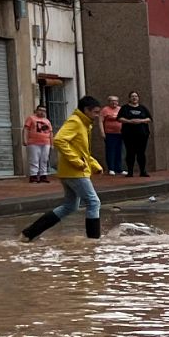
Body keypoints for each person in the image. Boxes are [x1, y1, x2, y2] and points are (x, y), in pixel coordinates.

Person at [20, 96, 106, 242]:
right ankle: (93, 240)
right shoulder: (76, 122)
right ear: (86, 110)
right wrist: (76, 162)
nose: (97, 116)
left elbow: (81, 150)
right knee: (93, 202)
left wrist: (94, 164)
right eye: (95, 112)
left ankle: (29, 234)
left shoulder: (84, 124)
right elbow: (59, 140)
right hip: (74, 172)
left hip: (73, 171)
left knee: (70, 206)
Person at [118, 90, 151, 177]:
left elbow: (149, 119)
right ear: (129, 98)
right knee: (130, 153)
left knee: (141, 153)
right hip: (129, 135)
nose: (134, 98)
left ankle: (143, 171)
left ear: (138, 98)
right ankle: (130, 172)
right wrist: (129, 121)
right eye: (132, 96)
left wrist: (140, 121)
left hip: (142, 134)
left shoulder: (143, 108)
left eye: (136, 96)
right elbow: (119, 118)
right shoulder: (125, 108)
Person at [23, 104, 53, 184]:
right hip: (33, 142)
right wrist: (25, 139)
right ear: (36, 111)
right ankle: (34, 176)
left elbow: (50, 133)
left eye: (44, 111)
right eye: (40, 110)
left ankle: (43, 175)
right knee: (34, 159)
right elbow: (26, 129)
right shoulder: (31, 118)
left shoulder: (47, 121)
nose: (42, 112)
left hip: (46, 143)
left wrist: (52, 143)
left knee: (44, 159)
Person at [99, 95, 124, 175]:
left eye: (116, 101)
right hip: (109, 134)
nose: (114, 102)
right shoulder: (105, 110)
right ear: (109, 102)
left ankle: (119, 168)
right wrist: (102, 132)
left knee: (119, 151)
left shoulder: (120, 109)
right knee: (110, 151)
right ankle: (111, 168)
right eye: (112, 101)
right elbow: (100, 121)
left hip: (120, 133)